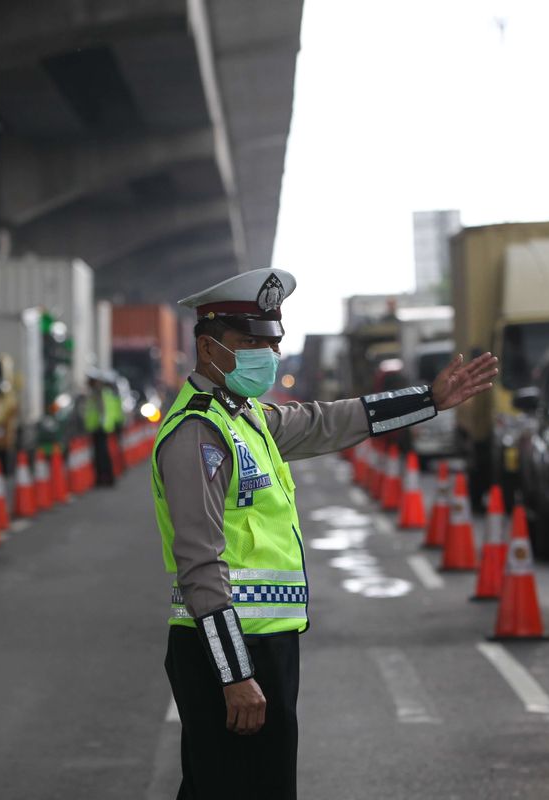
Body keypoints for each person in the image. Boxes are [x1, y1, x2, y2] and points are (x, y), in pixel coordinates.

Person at [150, 268, 498, 800]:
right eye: (250, 342)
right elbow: (200, 562)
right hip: (230, 651)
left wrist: (427, 399)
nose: (265, 353)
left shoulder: (245, 419)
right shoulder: (199, 433)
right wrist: (235, 674)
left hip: (266, 643)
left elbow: (328, 420)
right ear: (208, 348)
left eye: (272, 342)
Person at [82, 373, 118, 486]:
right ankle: (106, 478)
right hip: (99, 427)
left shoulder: (97, 393)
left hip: (99, 428)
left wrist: (100, 423)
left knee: (101, 455)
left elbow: (101, 410)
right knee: (102, 454)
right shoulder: (100, 392)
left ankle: (104, 479)